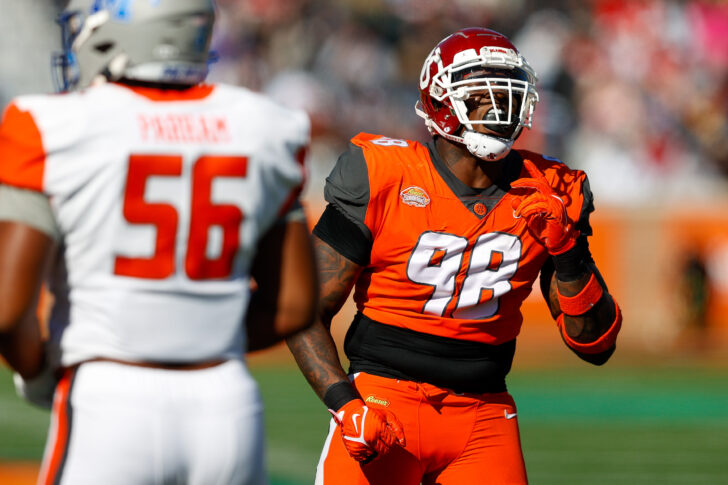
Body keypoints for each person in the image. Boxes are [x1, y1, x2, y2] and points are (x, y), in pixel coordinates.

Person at [286, 27, 623, 484]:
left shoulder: (552, 188)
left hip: (484, 415)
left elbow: (596, 346)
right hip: (385, 401)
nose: (501, 106)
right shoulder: (384, 174)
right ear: (442, 102)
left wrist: (568, 250)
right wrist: (346, 404)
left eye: (507, 91)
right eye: (483, 92)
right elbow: (303, 309)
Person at [0, 1, 318, 484]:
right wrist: (205, 341)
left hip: (108, 397)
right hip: (227, 403)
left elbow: (6, 311)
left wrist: (42, 370)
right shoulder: (266, 126)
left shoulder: (51, 124)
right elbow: (295, 305)